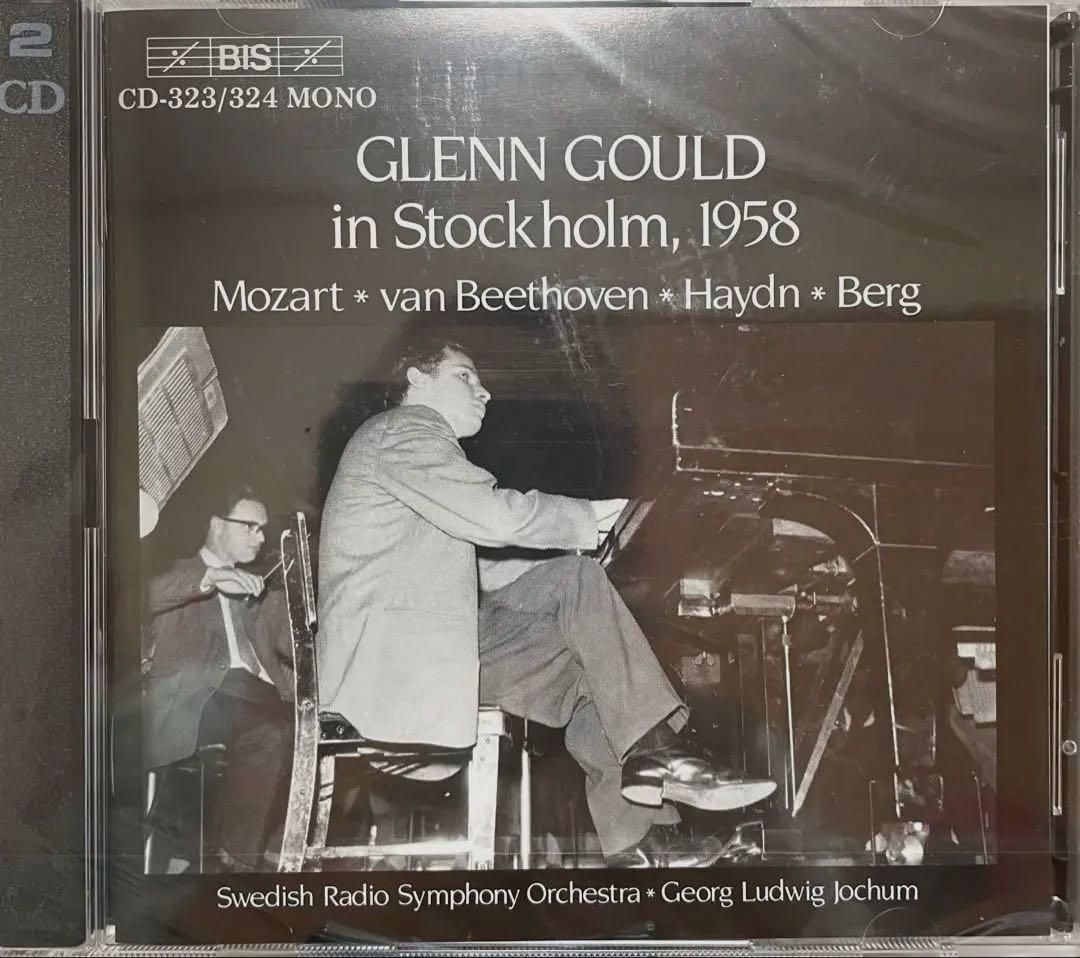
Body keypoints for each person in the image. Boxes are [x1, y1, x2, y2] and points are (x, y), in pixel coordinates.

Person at [317, 342, 776, 867]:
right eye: (465, 375)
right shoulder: (406, 430)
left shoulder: (404, 454)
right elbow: (495, 517)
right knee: (576, 586)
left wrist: (581, 565)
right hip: (393, 671)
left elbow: (484, 573)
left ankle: (645, 838)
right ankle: (658, 760)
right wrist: (592, 518)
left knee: (590, 658)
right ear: (417, 378)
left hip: (417, 657)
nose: (484, 392)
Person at [143, 491, 294, 872]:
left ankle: (261, 850)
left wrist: (293, 597)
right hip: (199, 694)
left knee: (304, 724)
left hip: (254, 694)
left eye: (263, 529)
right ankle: (239, 859)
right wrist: (210, 578)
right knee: (272, 728)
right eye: (250, 527)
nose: (261, 537)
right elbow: (146, 596)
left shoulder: (260, 584)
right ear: (216, 525)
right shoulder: (175, 572)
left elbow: (287, 644)